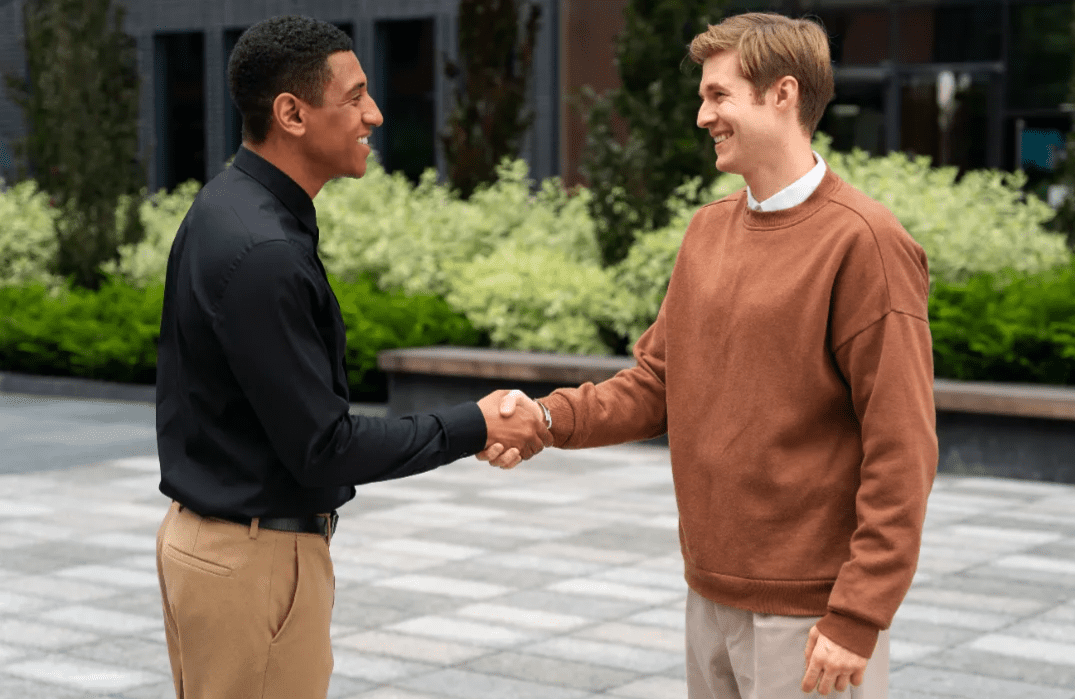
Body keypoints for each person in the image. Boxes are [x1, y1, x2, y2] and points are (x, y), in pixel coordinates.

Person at [482, 11, 937, 699]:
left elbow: (901, 447)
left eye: (718, 95)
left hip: (810, 611)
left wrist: (857, 615)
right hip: (709, 591)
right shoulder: (707, 230)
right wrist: (546, 420)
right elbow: (657, 384)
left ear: (781, 94)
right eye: (705, 97)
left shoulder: (865, 243)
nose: (703, 115)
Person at [153, 16, 550, 699]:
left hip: (219, 548)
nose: (374, 112)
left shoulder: (228, 206)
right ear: (292, 113)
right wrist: (478, 422)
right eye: (355, 95)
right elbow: (325, 446)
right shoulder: (263, 251)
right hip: (255, 564)